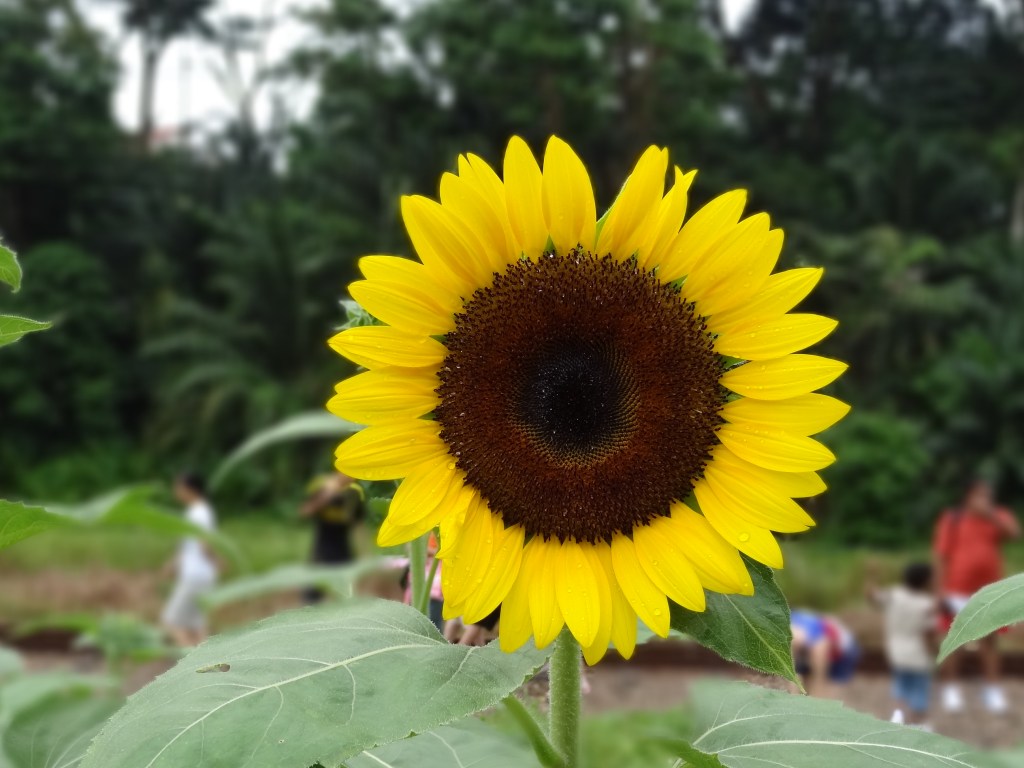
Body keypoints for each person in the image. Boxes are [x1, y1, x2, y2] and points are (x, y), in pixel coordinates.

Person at [933, 477, 1021, 713]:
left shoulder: (998, 516)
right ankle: (950, 688)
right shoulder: (953, 520)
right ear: (968, 496)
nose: (984, 499)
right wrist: (938, 590)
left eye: (987, 495)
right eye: (980, 495)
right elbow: (941, 556)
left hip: (989, 591)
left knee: (989, 641)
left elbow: (1015, 534)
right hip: (956, 589)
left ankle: (992, 688)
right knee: (955, 640)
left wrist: (990, 514)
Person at [866, 562, 937, 727]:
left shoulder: (894, 594)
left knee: (900, 686)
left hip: (896, 652)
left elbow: (872, 596)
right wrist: (934, 652)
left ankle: (897, 716)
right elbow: (928, 633)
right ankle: (919, 724)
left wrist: (871, 576)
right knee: (920, 691)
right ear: (925, 581)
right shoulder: (926, 604)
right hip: (918, 655)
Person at [160, 472, 218, 647]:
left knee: (170, 622)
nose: (175, 491)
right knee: (197, 624)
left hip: (195, 575)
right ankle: (207, 665)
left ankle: (191, 662)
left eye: (178, 487)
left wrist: (215, 560)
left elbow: (203, 545)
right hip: (202, 574)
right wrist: (171, 564)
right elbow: (187, 546)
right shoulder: (199, 511)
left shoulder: (199, 513)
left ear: (189, 489)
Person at [300, 471, 366, 602]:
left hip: (343, 548)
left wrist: (364, 552)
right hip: (322, 548)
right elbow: (305, 511)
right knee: (313, 589)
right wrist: (326, 495)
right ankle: (310, 615)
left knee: (346, 590)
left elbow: (358, 525)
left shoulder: (353, 494)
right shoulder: (321, 486)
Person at [790, 609, 859, 699]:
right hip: (809, 645)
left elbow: (820, 676)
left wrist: (817, 689)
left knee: (824, 688)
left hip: (842, 652)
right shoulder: (790, 629)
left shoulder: (817, 639)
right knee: (804, 682)